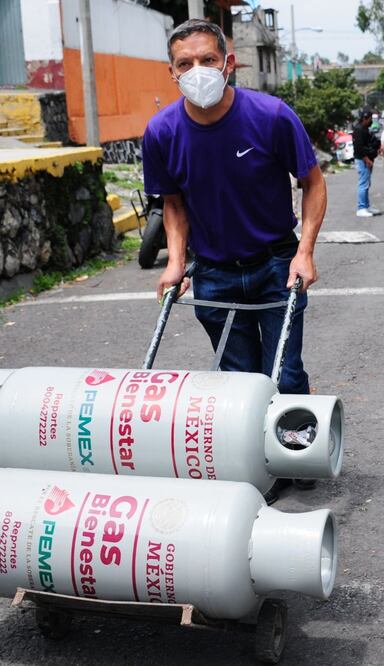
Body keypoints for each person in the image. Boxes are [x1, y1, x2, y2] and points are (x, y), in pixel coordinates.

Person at [141, 19, 327, 501]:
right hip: (215, 273)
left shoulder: (271, 116)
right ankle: (255, 465)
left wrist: (304, 251)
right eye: (186, 63)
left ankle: (297, 453)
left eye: (207, 60)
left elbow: (313, 182)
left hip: (274, 263)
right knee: (238, 381)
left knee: (283, 372)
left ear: (228, 63)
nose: (198, 70)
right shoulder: (161, 133)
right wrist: (175, 262)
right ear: (172, 72)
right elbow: (173, 203)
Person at [352, 108, 380, 217]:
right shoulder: (359, 130)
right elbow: (359, 148)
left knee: (367, 183)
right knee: (363, 184)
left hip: (365, 159)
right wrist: (367, 159)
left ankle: (367, 206)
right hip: (362, 160)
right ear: (365, 118)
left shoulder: (364, 128)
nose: (371, 121)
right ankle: (361, 207)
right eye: (369, 119)